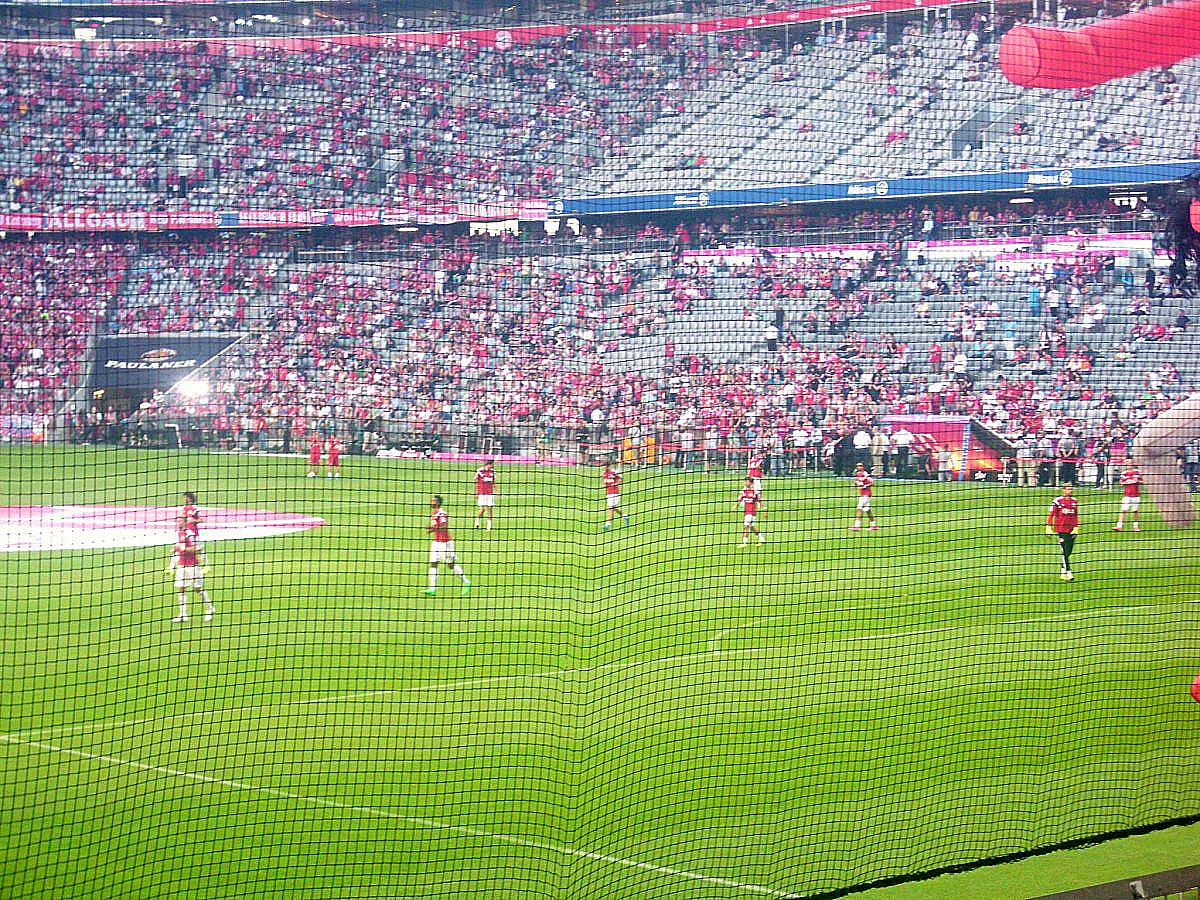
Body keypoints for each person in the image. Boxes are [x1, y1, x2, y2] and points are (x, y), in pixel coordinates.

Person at [170, 521, 214, 622]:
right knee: (181, 588)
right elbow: (178, 550)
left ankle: (209, 609)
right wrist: (172, 565)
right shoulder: (179, 534)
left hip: (193, 567)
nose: (178, 522)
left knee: (198, 589)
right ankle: (183, 615)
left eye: (180, 519)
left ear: (184, 522)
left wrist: (183, 549)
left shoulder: (190, 534)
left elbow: (197, 549)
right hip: (182, 566)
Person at [426, 495, 471, 597]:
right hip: (436, 542)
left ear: (438, 503)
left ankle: (466, 582)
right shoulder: (435, 513)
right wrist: (432, 529)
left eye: (433, 501)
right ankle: (432, 588)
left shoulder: (442, 513)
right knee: (433, 563)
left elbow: (444, 527)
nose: (431, 502)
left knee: (450, 565)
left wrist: (433, 529)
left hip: (445, 543)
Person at [1046, 484, 1080, 581]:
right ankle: (1069, 572)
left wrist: (1076, 527)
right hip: (1061, 530)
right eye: (1068, 489)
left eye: (1071, 489)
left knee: (1068, 551)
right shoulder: (1057, 501)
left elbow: (1075, 516)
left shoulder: (1074, 501)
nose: (1070, 491)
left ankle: (1062, 572)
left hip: (1071, 530)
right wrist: (1048, 526)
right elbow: (1051, 514)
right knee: (1065, 550)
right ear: (1063, 490)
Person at [1113, 462, 1143, 532]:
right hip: (1127, 495)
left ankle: (1136, 527)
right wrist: (1127, 482)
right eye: (1127, 463)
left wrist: (1137, 481)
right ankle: (1119, 526)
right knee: (1123, 510)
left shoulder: (1137, 472)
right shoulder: (1124, 473)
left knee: (1135, 511)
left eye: (1129, 463)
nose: (1128, 465)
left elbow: (1142, 481)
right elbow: (1121, 483)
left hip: (1136, 495)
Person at [738, 477, 766, 546]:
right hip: (746, 511)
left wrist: (764, 511)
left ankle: (744, 543)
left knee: (746, 526)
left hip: (752, 511)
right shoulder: (744, 491)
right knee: (751, 527)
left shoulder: (755, 491)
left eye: (747, 482)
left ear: (751, 483)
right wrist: (735, 507)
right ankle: (761, 538)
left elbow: (760, 501)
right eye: (745, 481)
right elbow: (740, 500)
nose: (746, 483)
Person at [850, 463, 879, 531]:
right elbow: (857, 482)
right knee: (867, 510)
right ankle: (873, 525)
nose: (859, 467)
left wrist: (865, 486)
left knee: (859, 508)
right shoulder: (857, 474)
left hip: (866, 494)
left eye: (860, 466)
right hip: (863, 494)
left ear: (863, 467)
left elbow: (872, 482)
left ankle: (857, 526)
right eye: (857, 466)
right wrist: (855, 485)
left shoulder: (866, 474)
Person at [603, 463, 628, 530]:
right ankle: (625, 516)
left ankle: (607, 524)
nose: (604, 467)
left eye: (605, 466)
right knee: (614, 508)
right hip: (608, 493)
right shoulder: (604, 473)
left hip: (615, 492)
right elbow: (604, 482)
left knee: (610, 508)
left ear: (609, 466)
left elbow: (621, 478)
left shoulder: (614, 472)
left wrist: (616, 483)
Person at [474, 459, 496, 531]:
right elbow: (476, 482)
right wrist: (476, 493)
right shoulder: (480, 471)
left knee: (490, 509)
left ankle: (489, 526)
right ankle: (477, 522)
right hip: (482, 493)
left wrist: (497, 490)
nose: (493, 466)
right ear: (488, 464)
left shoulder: (492, 472)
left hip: (490, 493)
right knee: (482, 510)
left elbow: (493, 482)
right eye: (492, 464)